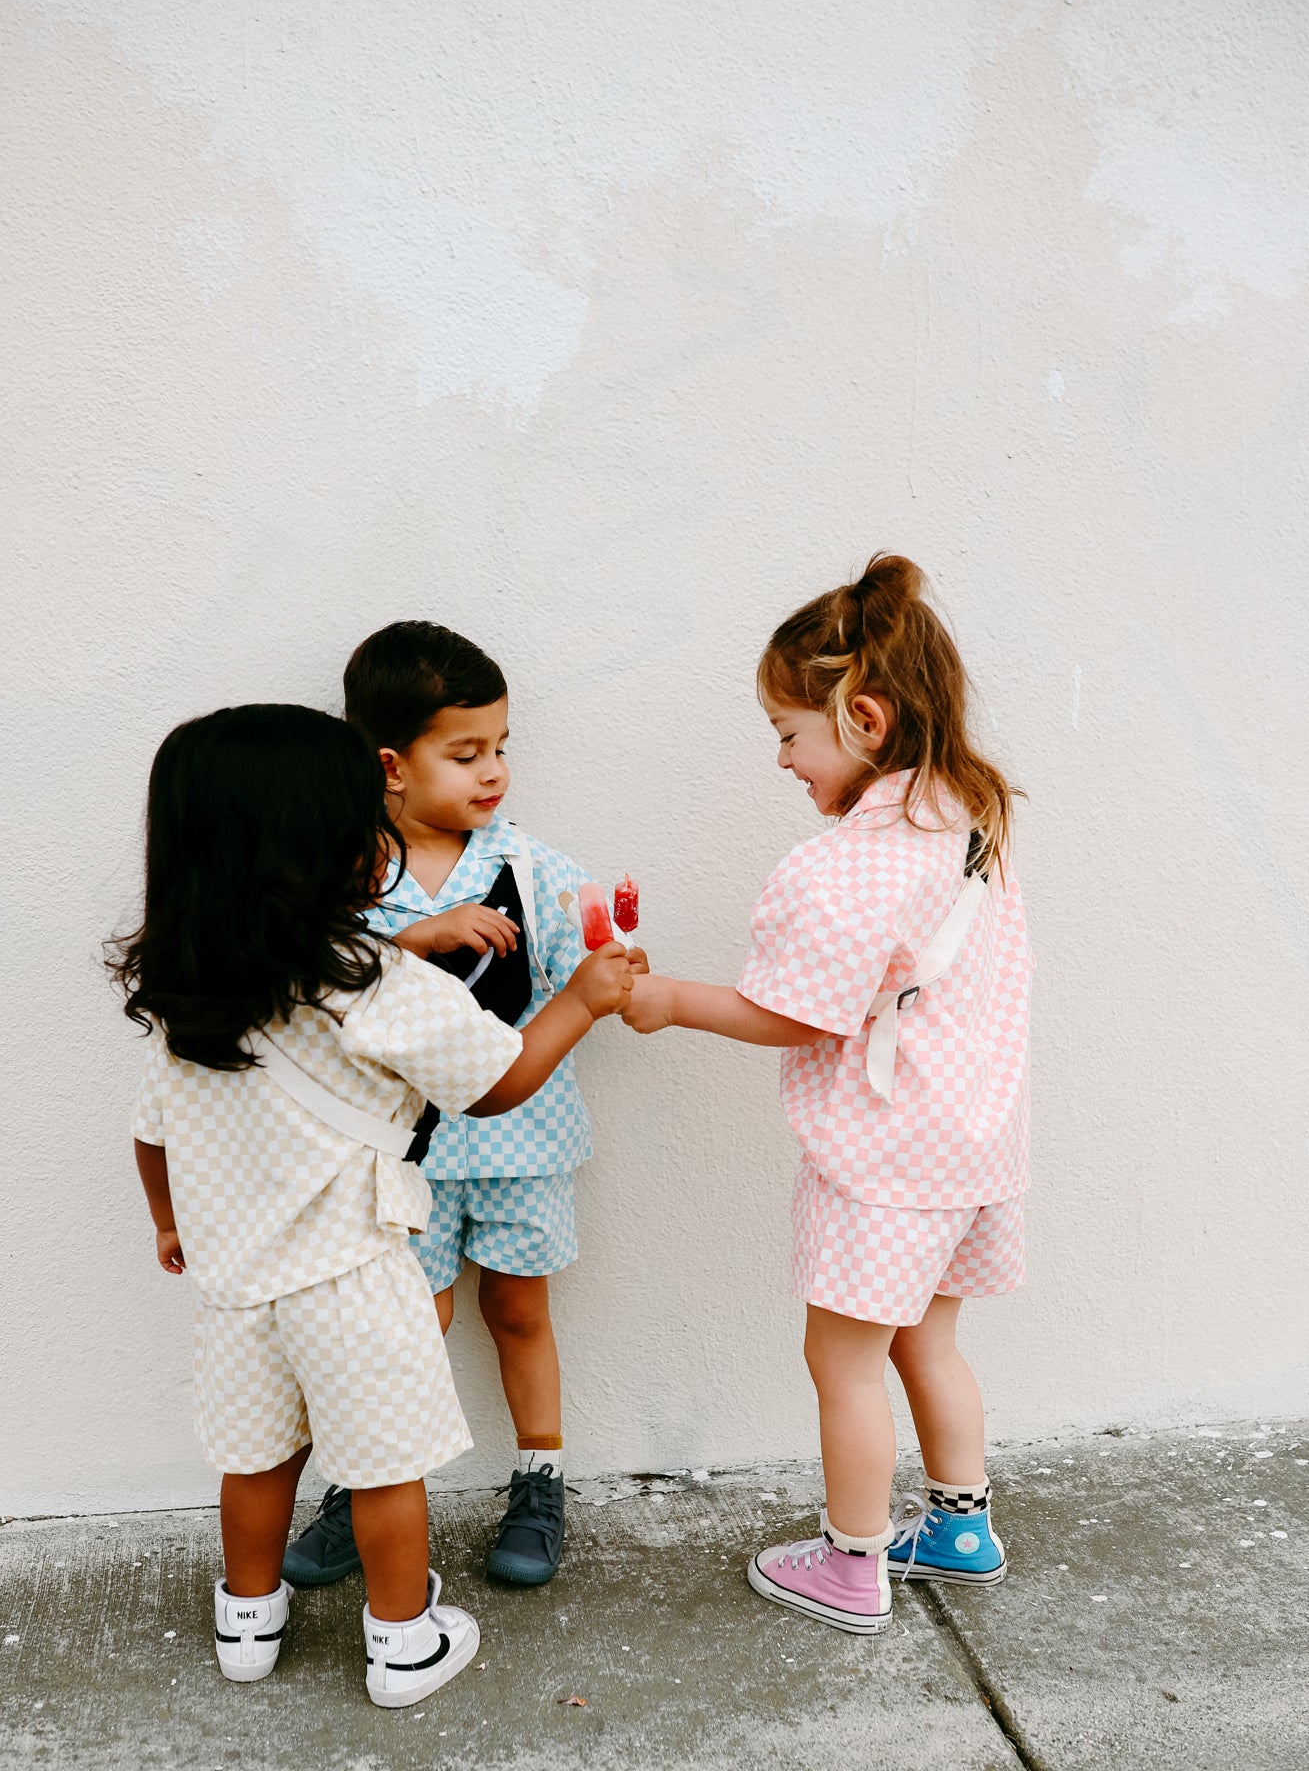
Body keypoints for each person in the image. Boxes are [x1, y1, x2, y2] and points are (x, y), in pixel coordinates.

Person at [113, 705, 632, 1703]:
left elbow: (152, 1132)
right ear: (330, 846)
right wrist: (583, 999)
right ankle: (403, 1640)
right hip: (353, 1274)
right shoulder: (375, 980)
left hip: (236, 1286)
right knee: (387, 1466)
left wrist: (170, 1222)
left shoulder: (192, 994)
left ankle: (248, 1623)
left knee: (258, 1459)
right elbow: (501, 1077)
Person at [622, 555, 1031, 1633]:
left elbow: (802, 1012)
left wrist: (668, 998)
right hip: (970, 1150)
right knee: (929, 1344)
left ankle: (852, 1565)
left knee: (840, 1360)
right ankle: (959, 1525)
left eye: (791, 732)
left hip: (886, 1162)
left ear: (862, 717)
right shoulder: (970, 817)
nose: (782, 757)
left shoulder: (851, 862)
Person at [284, 622, 628, 1592]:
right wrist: (415, 941)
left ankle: (540, 1479)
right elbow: (310, 995)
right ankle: (366, 1485)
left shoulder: (538, 867)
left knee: (519, 1309)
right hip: (401, 1161)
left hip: (525, 1142)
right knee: (406, 1325)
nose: (493, 771)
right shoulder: (345, 877)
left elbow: (575, 982)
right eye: (466, 752)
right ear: (389, 765)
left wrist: (615, 980)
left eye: (502, 747)